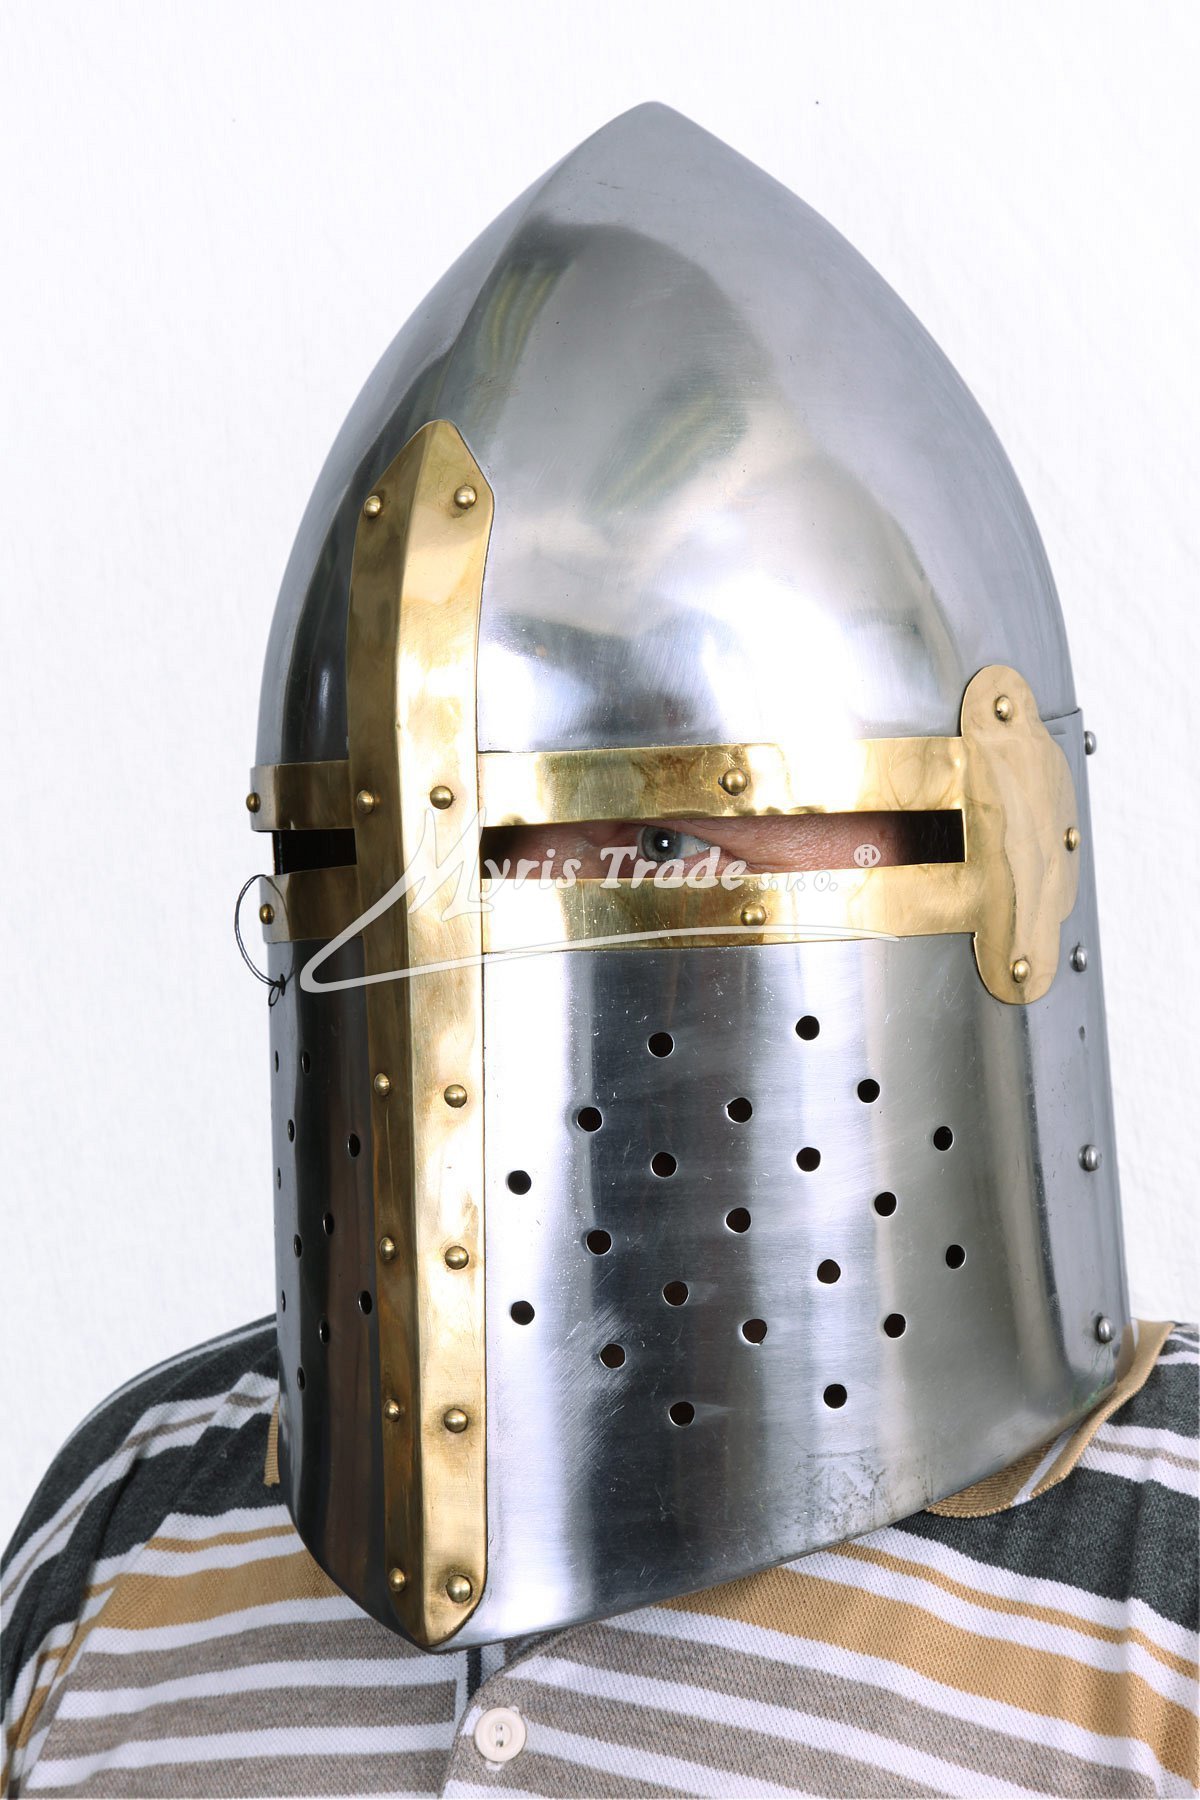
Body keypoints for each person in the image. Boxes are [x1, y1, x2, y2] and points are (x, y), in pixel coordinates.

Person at [4, 103, 1197, 1798]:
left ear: (1004, 862)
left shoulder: (1162, 1595)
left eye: (666, 841)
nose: (454, 972)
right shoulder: (128, 1526)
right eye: (365, 861)